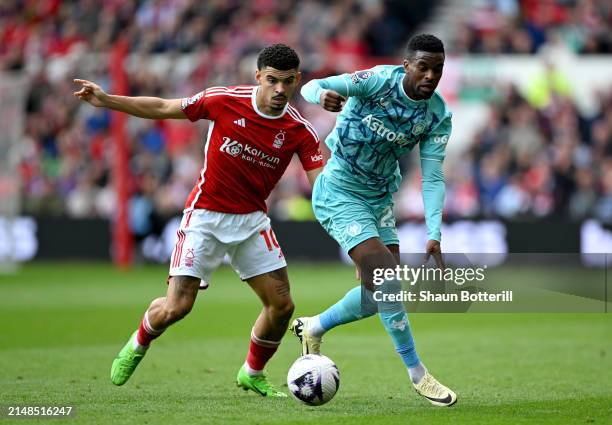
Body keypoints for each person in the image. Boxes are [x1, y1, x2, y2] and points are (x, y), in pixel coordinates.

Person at [73, 44, 324, 397]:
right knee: (177, 307)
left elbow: (322, 187)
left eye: (287, 82)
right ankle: (139, 341)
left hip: (252, 222)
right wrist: (108, 100)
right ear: (258, 77)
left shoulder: (300, 131)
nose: (280, 90)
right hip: (205, 217)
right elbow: (163, 106)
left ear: (297, 80)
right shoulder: (224, 100)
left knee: (282, 305)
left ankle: (252, 372)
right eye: (272, 81)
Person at [290, 34, 457, 406]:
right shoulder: (377, 81)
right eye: (424, 67)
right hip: (339, 191)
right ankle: (418, 374)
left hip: (380, 199)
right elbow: (314, 85)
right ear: (406, 66)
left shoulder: (437, 116)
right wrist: (322, 96)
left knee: (377, 295)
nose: (431, 75)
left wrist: (434, 233)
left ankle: (312, 326)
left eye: (438, 69)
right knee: (387, 279)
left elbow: (432, 177)